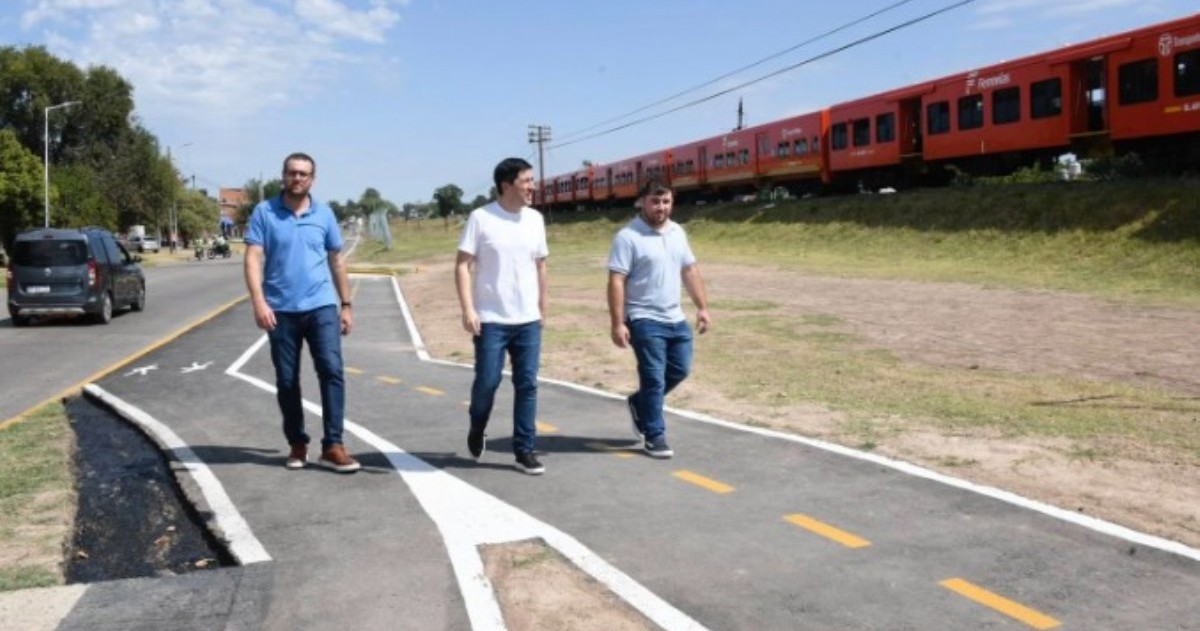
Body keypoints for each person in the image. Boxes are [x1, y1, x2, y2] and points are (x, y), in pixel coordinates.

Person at [243, 152, 360, 473]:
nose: (297, 178)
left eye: (304, 174)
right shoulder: (264, 211)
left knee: (332, 371)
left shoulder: (324, 214)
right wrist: (259, 302)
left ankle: (334, 445)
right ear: (283, 175)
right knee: (286, 380)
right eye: (292, 173)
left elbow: (337, 260)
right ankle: (297, 442)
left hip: (321, 306)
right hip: (279, 311)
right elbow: (253, 258)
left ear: (312, 179)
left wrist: (346, 305)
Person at [455, 157, 549, 475]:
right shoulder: (480, 218)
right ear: (506, 185)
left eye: (532, 180)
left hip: (527, 318)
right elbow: (462, 265)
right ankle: (477, 425)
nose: (532, 186)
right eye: (526, 181)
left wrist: (543, 306)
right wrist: (468, 309)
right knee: (487, 382)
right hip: (491, 319)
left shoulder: (535, 219)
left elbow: (540, 266)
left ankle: (524, 449)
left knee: (527, 385)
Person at [607, 177, 711, 458]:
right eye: (655, 201)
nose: (660, 207)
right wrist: (617, 322)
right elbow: (617, 280)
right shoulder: (628, 237)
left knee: (680, 369)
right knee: (653, 377)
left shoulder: (678, 232)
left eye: (666, 201)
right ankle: (655, 434)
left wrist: (702, 307)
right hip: (643, 316)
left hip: (675, 317)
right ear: (641, 201)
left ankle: (639, 404)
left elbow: (689, 270)